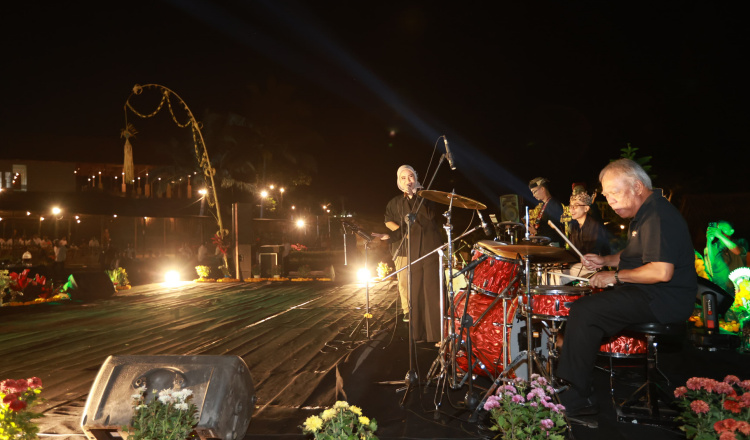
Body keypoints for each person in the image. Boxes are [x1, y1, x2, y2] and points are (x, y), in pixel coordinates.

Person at [555, 159, 697, 417]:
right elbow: (633, 254)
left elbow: (661, 271)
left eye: (615, 192)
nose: (610, 201)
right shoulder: (645, 213)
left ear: (637, 186)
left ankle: (578, 394)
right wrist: (605, 261)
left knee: (585, 311)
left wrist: (616, 277)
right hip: (649, 293)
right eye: (607, 196)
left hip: (663, 300)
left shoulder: (658, 216)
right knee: (586, 308)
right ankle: (577, 382)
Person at [382, 165, 443, 343]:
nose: (408, 180)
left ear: (416, 177)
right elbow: (403, 229)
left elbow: (430, 216)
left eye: (410, 176)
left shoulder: (427, 196)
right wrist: (389, 236)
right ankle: (418, 334)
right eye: (403, 178)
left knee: (431, 290)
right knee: (414, 290)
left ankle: (436, 334)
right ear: (399, 181)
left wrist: (415, 195)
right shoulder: (399, 202)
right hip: (413, 249)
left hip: (430, 247)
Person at [704, 220, 748, 294]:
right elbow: (710, 263)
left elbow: (737, 251)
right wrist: (709, 241)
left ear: (731, 231)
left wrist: (720, 235)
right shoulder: (713, 247)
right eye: (719, 228)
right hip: (721, 288)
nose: (720, 231)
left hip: (739, 287)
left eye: (724, 228)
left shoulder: (740, 242)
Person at [528, 177, 564, 245]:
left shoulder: (554, 205)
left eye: (534, 192)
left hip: (553, 245)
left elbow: (554, 230)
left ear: (542, 189)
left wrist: (536, 233)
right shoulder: (544, 205)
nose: (533, 195)